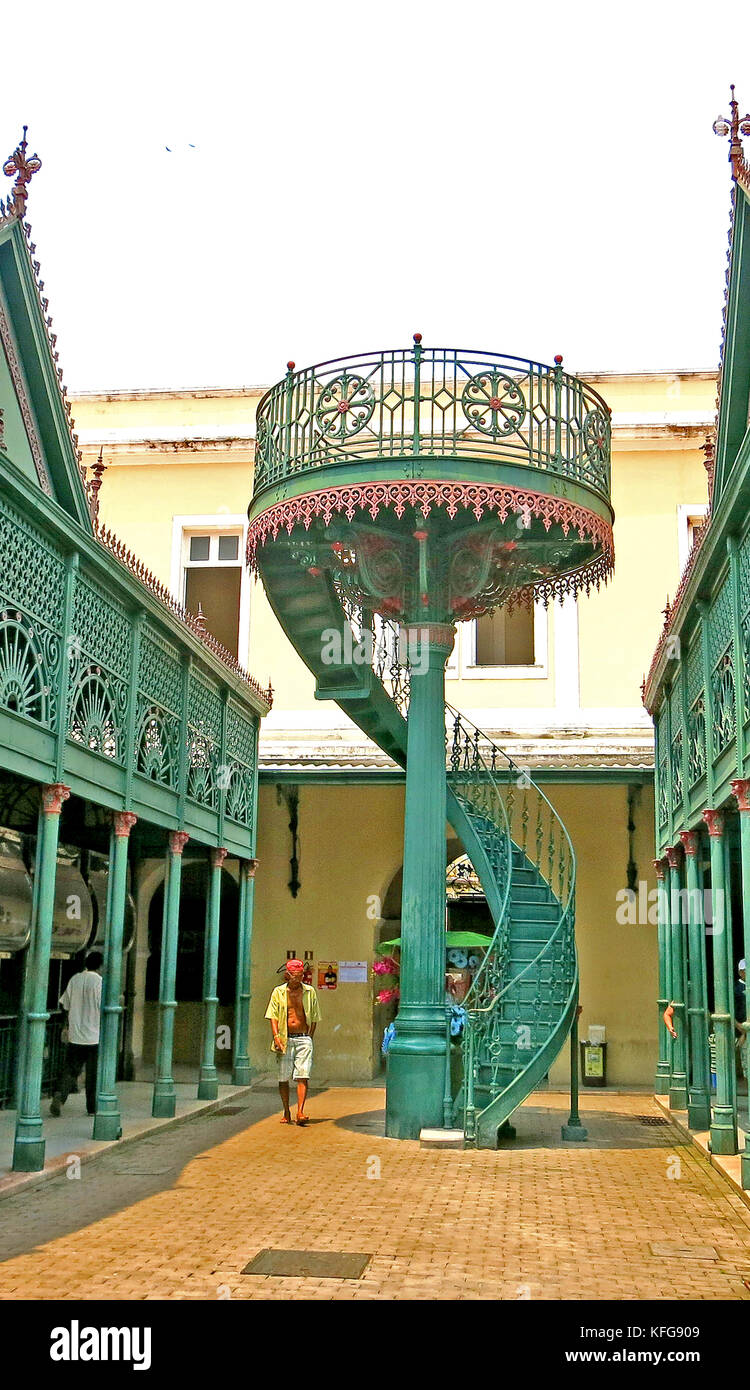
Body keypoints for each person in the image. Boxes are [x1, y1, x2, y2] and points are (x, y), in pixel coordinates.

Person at [265, 959, 321, 1126]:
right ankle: (286, 1110)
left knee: (302, 1075)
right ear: (287, 975)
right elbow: (273, 1016)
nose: (298, 979)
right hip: (285, 1038)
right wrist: (276, 1037)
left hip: (303, 1037)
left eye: (301, 976)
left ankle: (300, 1111)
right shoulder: (278, 992)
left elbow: (315, 1017)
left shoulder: (309, 991)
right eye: (295, 976)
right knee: (283, 1077)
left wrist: (309, 1036)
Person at [50, 951, 103, 1118]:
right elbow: (103, 1007)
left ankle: (60, 1095)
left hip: (76, 1033)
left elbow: (65, 1005)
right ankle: (92, 1107)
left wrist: (66, 1026)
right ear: (100, 965)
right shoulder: (100, 982)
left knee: (71, 1069)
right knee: (92, 1074)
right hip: (94, 1035)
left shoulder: (75, 979)